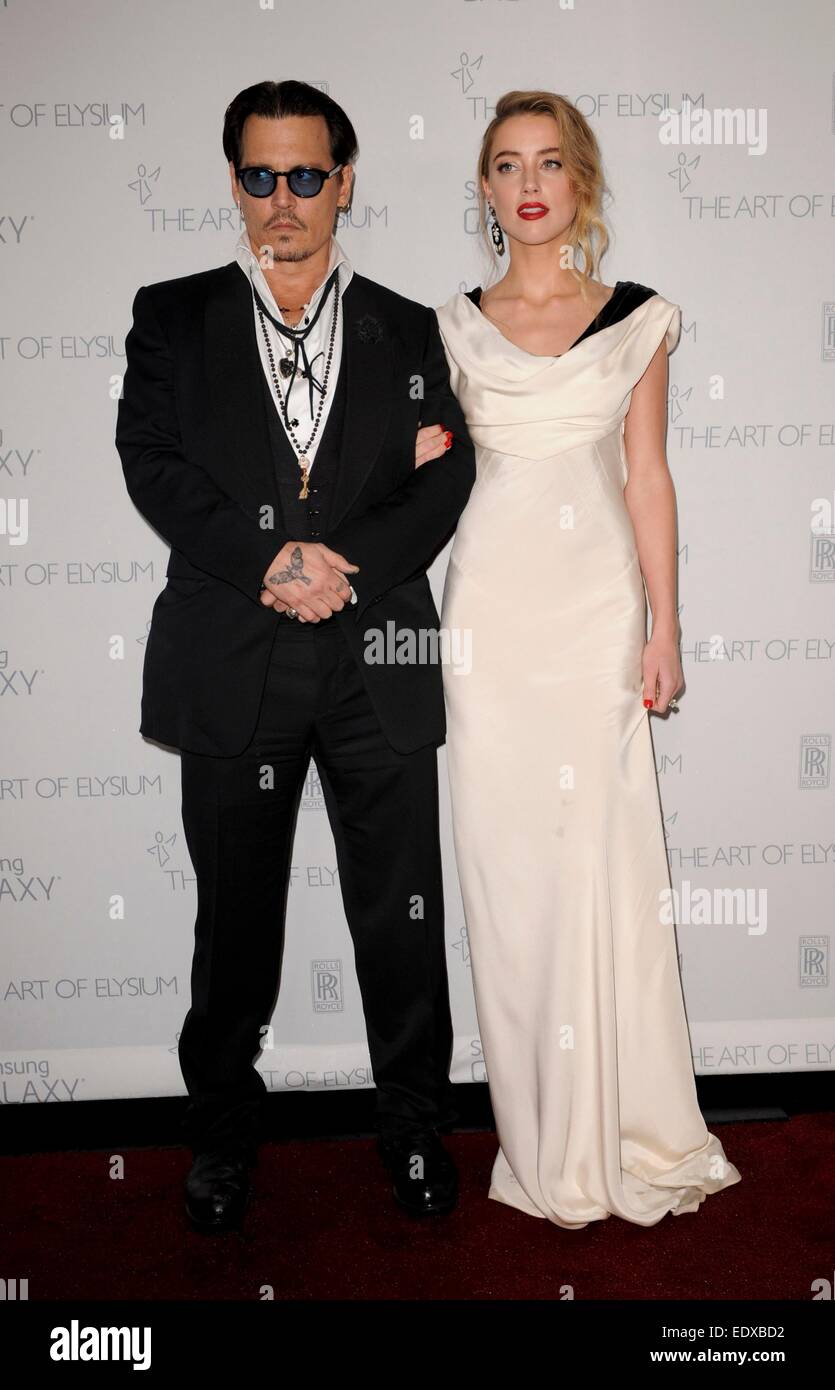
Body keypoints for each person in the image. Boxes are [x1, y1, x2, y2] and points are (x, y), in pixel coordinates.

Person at [115, 79, 476, 1233]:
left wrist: (344, 562)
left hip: (378, 663)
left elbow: (447, 476)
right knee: (235, 929)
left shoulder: (410, 327)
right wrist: (272, 558)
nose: (283, 201)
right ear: (234, 183)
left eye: (306, 176)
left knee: (403, 917)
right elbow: (153, 463)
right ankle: (221, 1142)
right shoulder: (171, 317)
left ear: (344, 183)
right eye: (260, 176)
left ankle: (415, 1129)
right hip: (234, 657)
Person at [420, 90, 742, 1227]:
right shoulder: (448, 325)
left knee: (607, 864)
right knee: (509, 880)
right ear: (486, 190)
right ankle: (545, 1131)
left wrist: (665, 624)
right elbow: (430, 478)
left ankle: (628, 1122)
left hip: (595, 612)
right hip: (492, 620)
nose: (528, 183)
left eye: (549, 161)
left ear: (582, 181)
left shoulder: (639, 317)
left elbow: (645, 476)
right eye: (506, 165)